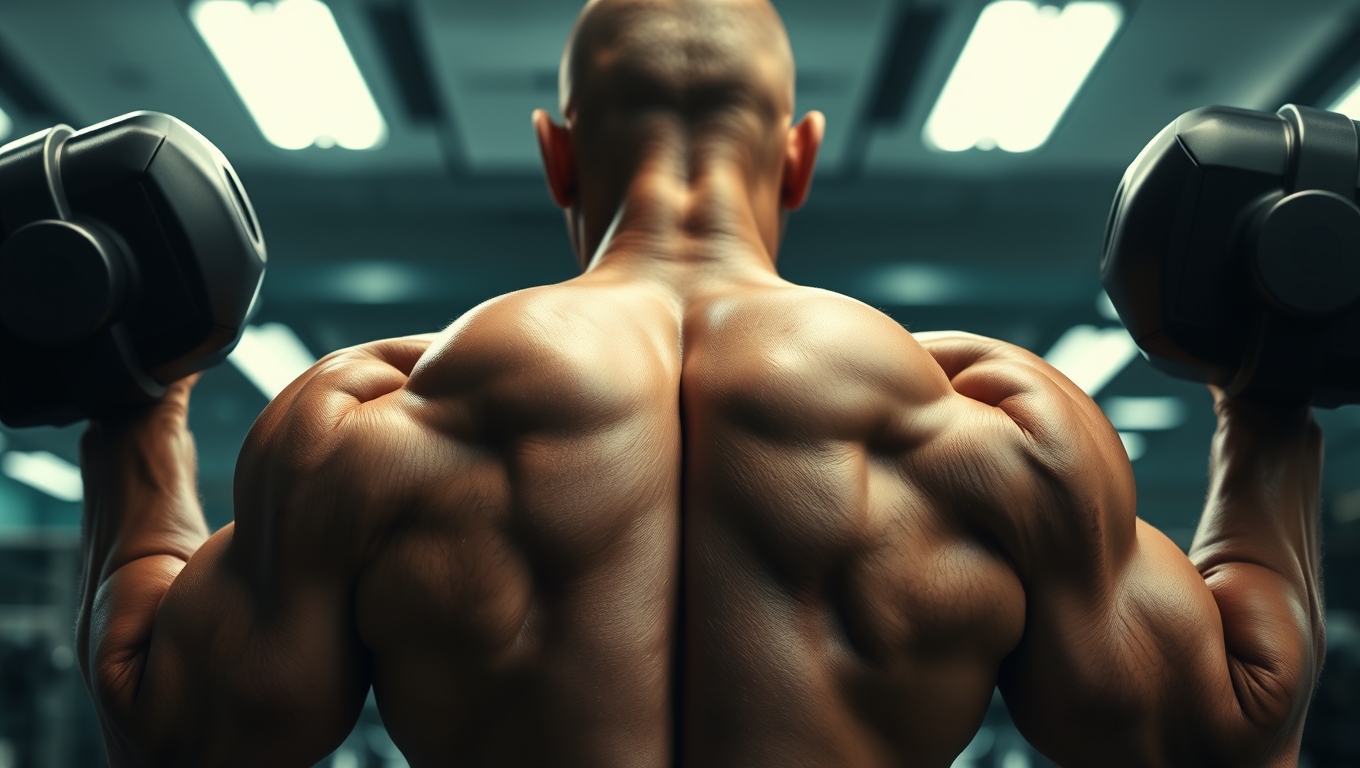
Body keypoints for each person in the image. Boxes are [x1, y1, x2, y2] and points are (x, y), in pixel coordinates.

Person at [75, 0, 1326, 765]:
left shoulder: (369, 426)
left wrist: (138, 392)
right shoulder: (992, 431)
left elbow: (168, 722)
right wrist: (1266, 390)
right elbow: (1232, 720)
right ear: (799, 159)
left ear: (556, 155)